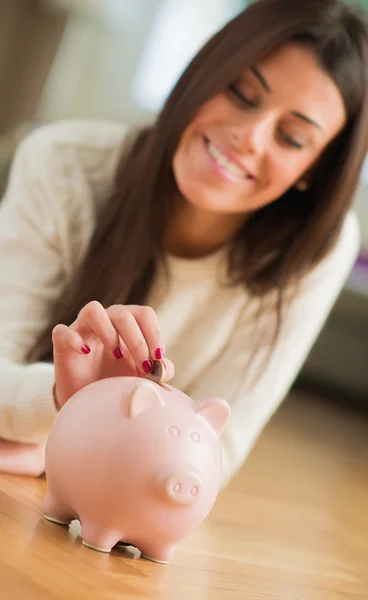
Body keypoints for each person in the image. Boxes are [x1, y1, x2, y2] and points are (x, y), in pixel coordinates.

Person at [0, 0, 367, 485]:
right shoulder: (61, 163)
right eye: (240, 92)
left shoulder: (319, 248)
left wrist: (56, 449)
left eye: (293, 138)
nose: (249, 137)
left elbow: (215, 454)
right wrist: (64, 396)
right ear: (203, 74)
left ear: (313, 171)